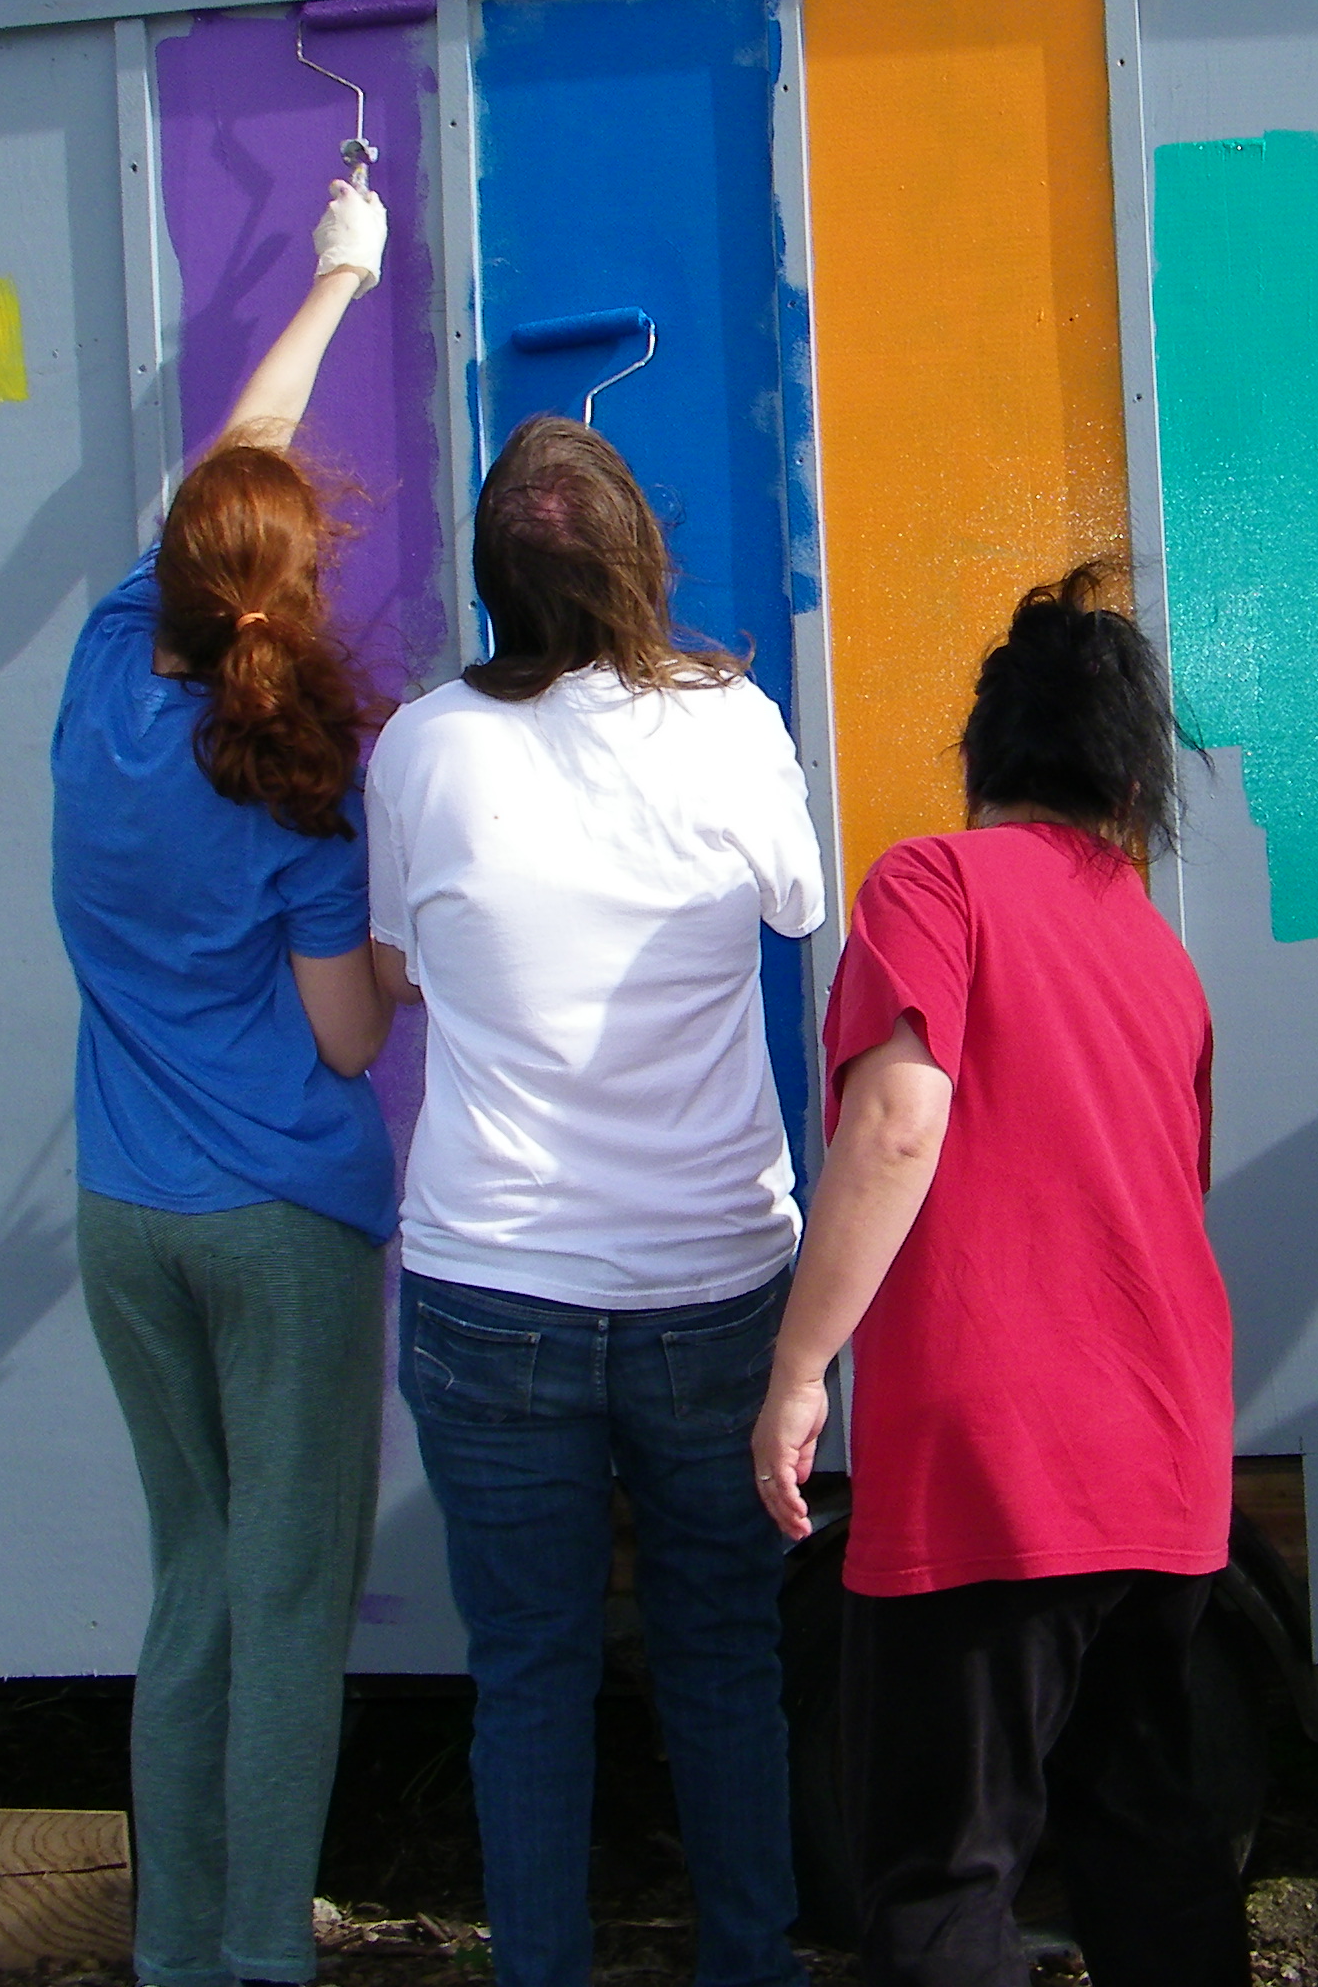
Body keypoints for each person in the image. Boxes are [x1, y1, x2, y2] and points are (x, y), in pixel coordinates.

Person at [364, 414, 826, 1987]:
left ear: (492, 580)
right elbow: (799, 902)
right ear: (643, 559)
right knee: (725, 1654)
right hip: (714, 1282)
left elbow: (398, 972)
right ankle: (750, 1963)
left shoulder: (420, 746)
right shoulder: (731, 720)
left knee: (529, 1674)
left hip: (492, 1286)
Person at [754, 565, 1247, 1987]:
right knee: (1150, 1839)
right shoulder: (1155, 950)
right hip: (1163, 1456)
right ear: (1125, 781)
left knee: (942, 1866)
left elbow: (897, 1125)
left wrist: (798, 1369)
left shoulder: (935, 882)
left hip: (996, 1461)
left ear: (983, 759)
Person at [53, 169, 400, 1987]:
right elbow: (349, 1040)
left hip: (126, 1221)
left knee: (191, 1579)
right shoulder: (299, 781)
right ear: (289, 594)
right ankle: (266, 1952)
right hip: (281, 1225)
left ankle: (176, 1953)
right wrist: (411, 941)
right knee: (286, 1599)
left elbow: (235, 461)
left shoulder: (105, 670)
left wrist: (335, 279)